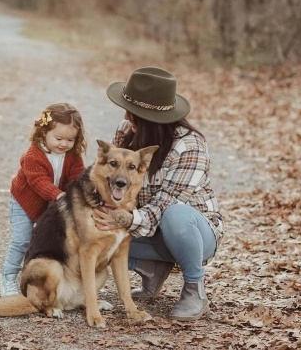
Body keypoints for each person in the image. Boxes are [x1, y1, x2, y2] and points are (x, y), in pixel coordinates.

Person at [92, 66, 224, 321]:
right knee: (92, 232)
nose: (125, 115)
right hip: (145, 226)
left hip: (194, 232)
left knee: (174, 216)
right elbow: (111, 177)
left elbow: (164, 206)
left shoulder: (190, 146)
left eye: (130, 112)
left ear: (147, 120)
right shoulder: (127, 129)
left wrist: (125, 220)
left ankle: (195, 289)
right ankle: (151, 268)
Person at [0, 102, 87, 297]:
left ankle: (30, 277)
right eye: (58, 138)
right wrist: (59, 195)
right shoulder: (32, 155)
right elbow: (39, 181)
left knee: (39, 240)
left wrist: (79, 194)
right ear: (43, 133)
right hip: (24, 201)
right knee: (21, 239)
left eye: (70, 140)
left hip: (52, 202)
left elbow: (77, 177)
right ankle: (8, 275)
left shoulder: (73, 155)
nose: (64, 144)